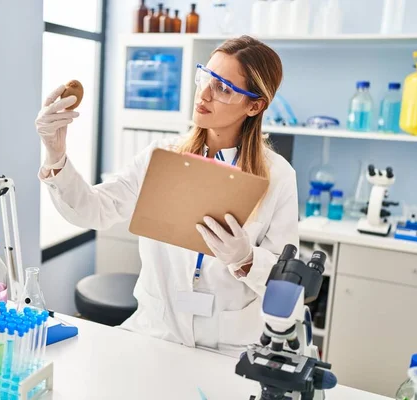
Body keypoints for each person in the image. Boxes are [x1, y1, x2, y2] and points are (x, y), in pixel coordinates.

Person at [35, 36, 299, 356]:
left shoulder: (279, 177)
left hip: (229, 346)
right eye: (205, 77)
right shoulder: (160, 156)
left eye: (223, 88)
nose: (203, 94)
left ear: (255, 105)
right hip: (155, 332)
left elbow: (287, 285)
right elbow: (93, 210)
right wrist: (55, 154)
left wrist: (247, 260)